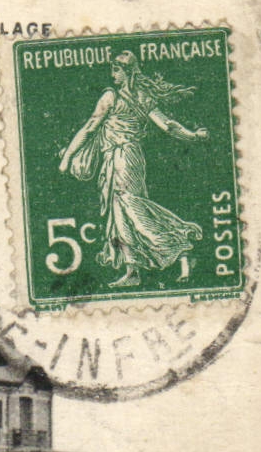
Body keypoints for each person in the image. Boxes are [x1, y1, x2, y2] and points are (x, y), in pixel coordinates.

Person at [57, 50, 208, 288]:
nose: (112, 74)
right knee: (120, 214)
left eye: (116, 70)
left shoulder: (111, 97)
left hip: (123, 158)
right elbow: (168, 126)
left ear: (126, 71)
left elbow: (89, 127)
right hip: (123, 158)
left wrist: (68, 156)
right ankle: (133, 270)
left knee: (132, 208)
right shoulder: (142, 97)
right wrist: (194, 136)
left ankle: (179, 246)